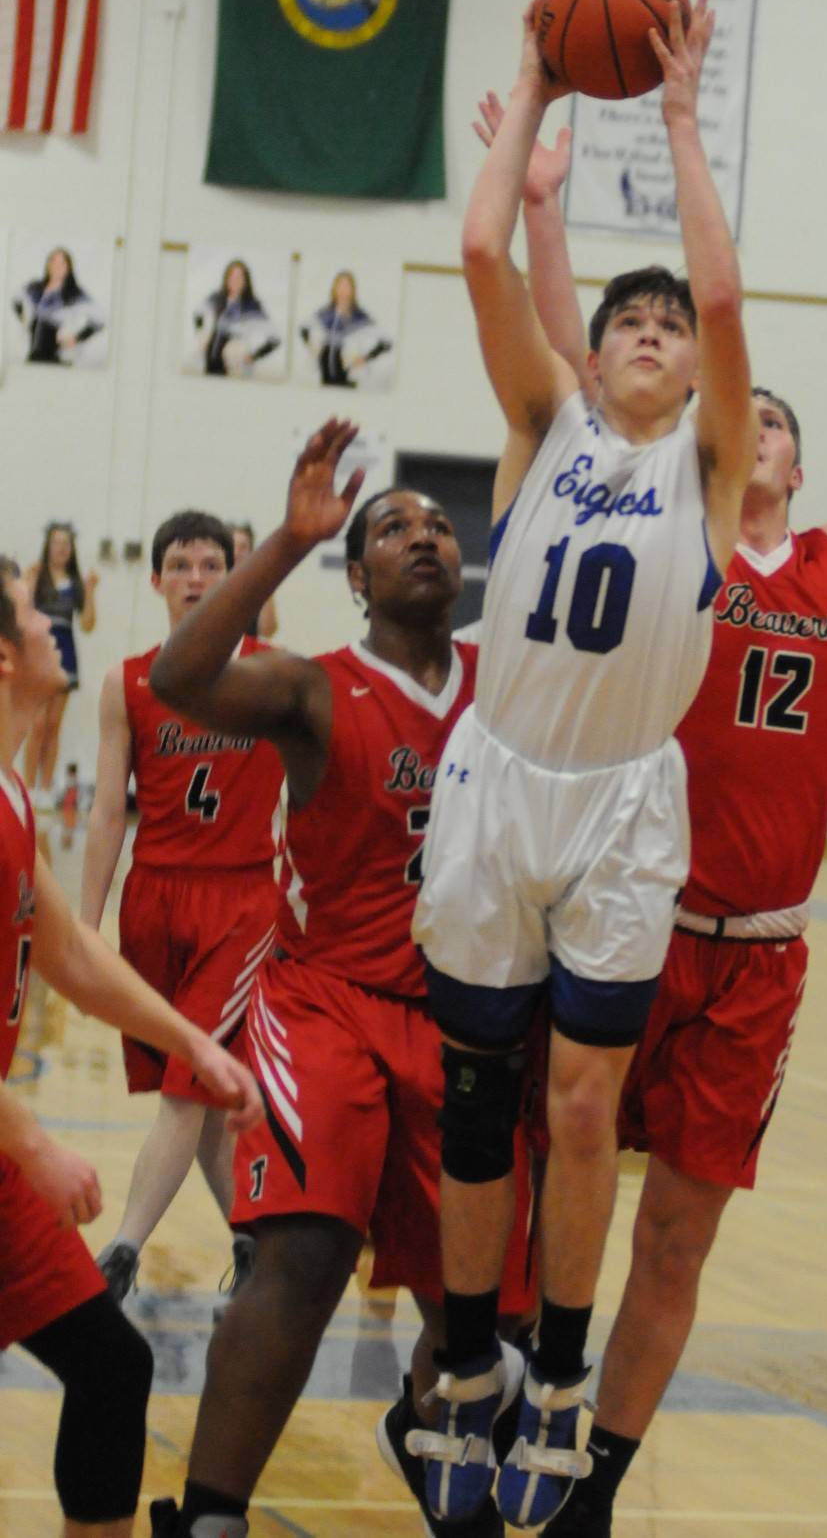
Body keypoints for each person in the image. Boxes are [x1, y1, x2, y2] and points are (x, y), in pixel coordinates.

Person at [476, 93, 827, 1534]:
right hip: (631, 910)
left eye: (780, 420)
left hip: (760, 949)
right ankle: (503, 1390)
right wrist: (542, 206)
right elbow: (577, 372)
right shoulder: (675, 514)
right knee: (556, 1171)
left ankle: (595, 1486)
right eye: (754, 413)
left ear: (799, 462)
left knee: (679, 1237)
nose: (762, 425)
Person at [404, 0, 755, 1534]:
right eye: (628, 320)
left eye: (670, 325)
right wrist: (536, 85)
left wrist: (678, 119)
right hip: (498, 778)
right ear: (593, 353)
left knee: (586, 1104)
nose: (655, 331)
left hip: (622, 799)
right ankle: (468, 1360)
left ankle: (557, 1372)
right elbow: (483, 249)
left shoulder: (711, 465)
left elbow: (724, 296)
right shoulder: (544, 423)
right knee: (478, 1100)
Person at [144, 421, 535, 1538]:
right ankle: (209, 1516)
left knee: (486, 1313)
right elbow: (179, 678)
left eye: (440, 525)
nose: (424, 536)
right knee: (306, 1253)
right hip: (326, 1005)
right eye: (393, 527)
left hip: (466, 1015)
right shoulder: (314, 688)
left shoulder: (508, 689)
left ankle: (424, 1429)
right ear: (357, 577)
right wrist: (284, 540)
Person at [0, 554, 262, 1538]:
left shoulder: (14, 793)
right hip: (7, 1146)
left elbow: (68, 950)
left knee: (113, 1364)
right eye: (32, 612)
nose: (51, 622)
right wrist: (34, 1143)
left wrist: (194, 1038)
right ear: (3, 656)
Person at [79, 512, 284, 1303]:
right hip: (154, 902)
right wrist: (86, 927)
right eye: (180, 564)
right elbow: (107, 812)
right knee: (195, 1093)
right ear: (156, 579)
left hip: (241, 902)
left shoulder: (274, 675)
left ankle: (121, 1251)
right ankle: (257, 1249)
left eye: (211, 564)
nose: (196, 578)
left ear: (235, 577)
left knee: (187, 1086)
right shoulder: (127, 681)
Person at [23, 522, 98, 809]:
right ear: (48, 545)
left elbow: (88, 625)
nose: (62, 548)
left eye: (67, 543)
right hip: (40, 652)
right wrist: (28, 584)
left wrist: (90, 591)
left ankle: (44, 788)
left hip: (66, 654)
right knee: (38, 724)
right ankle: (27, 788)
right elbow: (22, 615)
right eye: (57, 542)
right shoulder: (37, 575)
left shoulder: (76, 582)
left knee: (54, 724)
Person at [299, 269, 394, 388]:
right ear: (334, 289)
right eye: (340, 285)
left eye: (347, 286)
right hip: (324, 378)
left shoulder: (361, 318)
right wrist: (312, 346)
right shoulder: (325, 314)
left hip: (348, 378)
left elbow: (386, 343)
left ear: (353, 290)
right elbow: (303, 329)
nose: (343, 290)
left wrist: (366, 358)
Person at [12, 247, 105, 365]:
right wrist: (23, 318)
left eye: (61, 263)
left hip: (58, 359)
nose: (56, 266)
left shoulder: (75, 294)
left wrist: (77, 338)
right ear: (48, 264)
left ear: (68, 267)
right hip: (33, 355)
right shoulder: (34, 288)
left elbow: (99, 320)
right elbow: (16, 298)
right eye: (53, 261)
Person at [193, 260, 280, 377]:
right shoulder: (217, 298)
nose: (235, 281)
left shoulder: (252, 306)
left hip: (235, 368)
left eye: (239, 277)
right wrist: (201, 337)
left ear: (246, 280)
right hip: (210, 364)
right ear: (226, 278)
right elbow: (198, 313)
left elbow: (275, 339)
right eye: (232, 276)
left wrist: (253, 357)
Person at [230, 523, 279, 639]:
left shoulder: (256, 586)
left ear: (251, 553)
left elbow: (268, 630)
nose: (237, 552)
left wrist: (266, 581)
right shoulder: (211, 583)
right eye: (233, 546)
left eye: (243, 547)